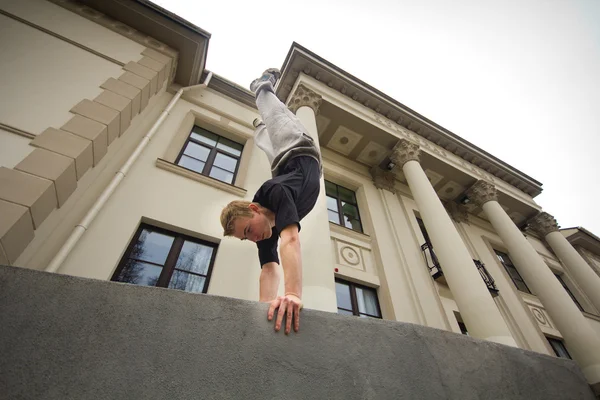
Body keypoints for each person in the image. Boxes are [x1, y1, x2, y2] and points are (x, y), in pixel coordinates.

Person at [220, 68, 322, 335]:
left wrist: (292, 294)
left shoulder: (274, 192)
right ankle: (260, 126)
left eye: (248, 231)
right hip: (284, 165)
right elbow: (268, 268)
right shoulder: (262, 230)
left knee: (277, 116)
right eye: (246, 238)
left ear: (254, 209)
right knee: (267, 137)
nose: (253, 238)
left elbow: (290, 240)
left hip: (295, 146)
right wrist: (266, 307)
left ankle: (262, 86)